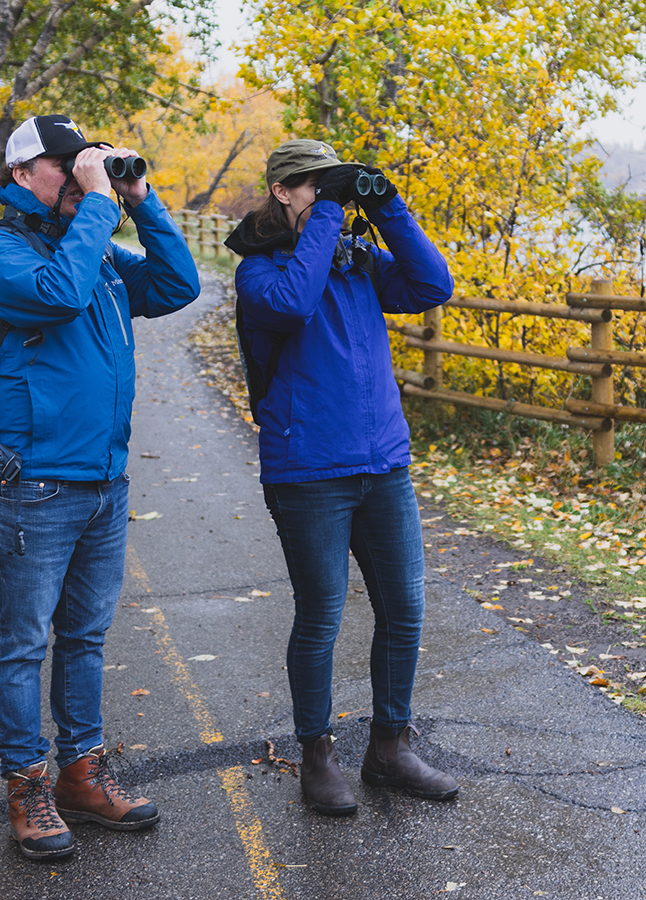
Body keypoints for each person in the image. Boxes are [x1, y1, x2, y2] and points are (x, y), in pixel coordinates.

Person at [0, 114, 200, 859]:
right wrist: (98, 207)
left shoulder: (95, 248)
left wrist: (137, 197)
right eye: (63, 164)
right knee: (22, 642)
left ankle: (80, 774)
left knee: (86, 639)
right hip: (33, 485)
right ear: (20, 176)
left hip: (105, 481)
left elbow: (176, 284)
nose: (78, 174)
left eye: (85, 162)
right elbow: (59, 296)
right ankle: (26, 785)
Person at [226, 139, 455, 816]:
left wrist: (387, 210)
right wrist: (331, 210)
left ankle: (390, 746)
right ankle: (318, 755)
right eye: (311, 188)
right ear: (281, 191)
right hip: (309, 471)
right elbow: (295, 303)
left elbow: (431, 285)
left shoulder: (358, 259)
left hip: (383, 461)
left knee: (404, 610)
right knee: (322, 614)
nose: (326, 199)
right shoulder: (259, 272)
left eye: (334, 189)